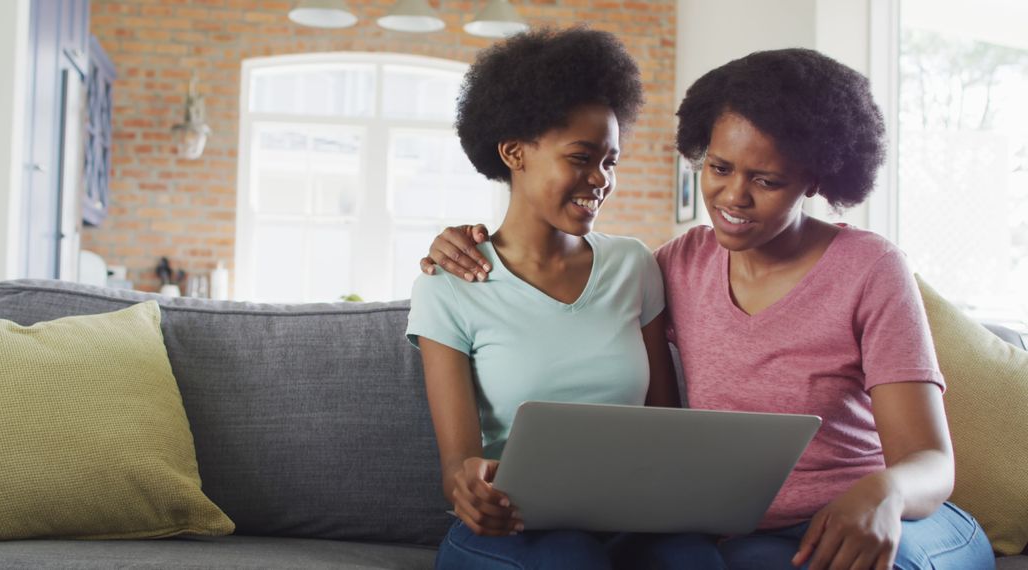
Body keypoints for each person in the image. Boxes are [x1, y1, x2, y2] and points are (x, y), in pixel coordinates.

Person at [420, 48, 995, 570]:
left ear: (814, 179)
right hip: (744, 536)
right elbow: (570, 291)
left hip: (879, 513)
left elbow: (930, 461)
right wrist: (458, 245)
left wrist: (884, 493)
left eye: (766, 180)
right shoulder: (676, 266)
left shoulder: (868, 267)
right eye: (719, 169)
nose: (733, 198)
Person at [406, 26, 717, 570]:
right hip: (513, 526)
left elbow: (665, 428)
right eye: (582, 156)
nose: (600, 178)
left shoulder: (633, 266)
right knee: (570, 559)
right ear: (513, 153)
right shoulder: (450, 282)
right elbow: (457, 463)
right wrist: (470, 486)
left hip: (628, 521)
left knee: (696, 561)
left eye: (611, 161)